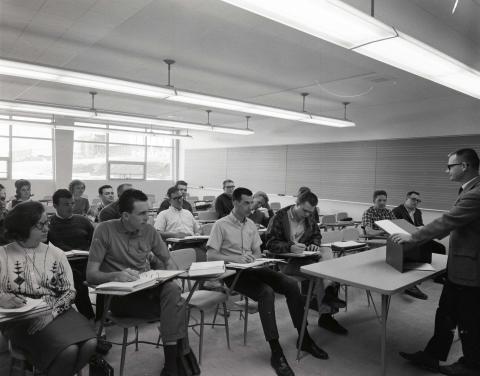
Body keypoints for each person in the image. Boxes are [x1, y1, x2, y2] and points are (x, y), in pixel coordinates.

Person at [207, 187, 327, 376]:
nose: (251, 206)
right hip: (233, 274)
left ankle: (303, 337)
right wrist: (236, 259)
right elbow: (210, 255)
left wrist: (254, 258)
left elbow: (257, 251)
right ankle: (275, 350)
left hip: (253, 268)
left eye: (251, 202)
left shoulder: (251, 225)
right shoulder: (220, 225)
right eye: (246, 203)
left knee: (290, 284)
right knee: (266, 293)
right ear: (235, 203)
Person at [393, 148, 480, 376]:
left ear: (464, 166)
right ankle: (432, 356)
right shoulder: (470, 189)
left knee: (468, 319)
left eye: (450, 166)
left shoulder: (475, 193)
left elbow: (448, 221)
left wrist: (412, 236)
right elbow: (456, 222)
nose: (446, 170)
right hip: (461, 265)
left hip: (469, 269)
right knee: (446, 312)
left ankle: (472, 365)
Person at [87, 189, 189, 376]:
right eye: (142, 214)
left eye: (149, 212)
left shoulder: (149, 231)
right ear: (125, 215)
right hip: (121, 298)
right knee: (177, 306)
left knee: (173, 291)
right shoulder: (104, 230)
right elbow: (91, 275)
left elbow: (167, 260)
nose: (148, 218)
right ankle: (178, 360)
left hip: (148, 289)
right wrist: (115, 275)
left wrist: (174, 277)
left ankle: (172, 367)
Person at [0, 201, 96, 375]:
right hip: (22, 316)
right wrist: (2, 298)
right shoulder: (3, 255)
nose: (47, 228)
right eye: (41, 225)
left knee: (91, 343)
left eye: (47, 222)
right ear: (23, 228)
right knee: (68, 351)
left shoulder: (55, 253)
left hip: (58, 310)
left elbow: (69, 291)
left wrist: (52, 313)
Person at [266, 190, 348, 335]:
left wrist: (315, 244)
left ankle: (328, 292)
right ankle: (326, 315)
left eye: (310, 212)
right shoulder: (279, 217)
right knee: (319, 271)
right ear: (296, 204)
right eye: (305, 211)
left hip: (306, 257)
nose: (308, 215)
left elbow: (316, 235)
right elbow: (270, 244)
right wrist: (290, 247)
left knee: (326, 251)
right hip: (288, 261)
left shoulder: (309, 217)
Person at [363, 190, 427, 300]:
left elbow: (396, 226)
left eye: (384, 200)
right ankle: (410, 286)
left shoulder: (388, 212)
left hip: (391, 239)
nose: (382, 203)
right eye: (379, 200)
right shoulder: (368, 212)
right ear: (374, 200)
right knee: (403, 252)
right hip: (376, 241)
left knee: (412, 247)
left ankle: (409, 283)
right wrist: (384, 230)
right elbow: (370, 232)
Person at [47, 189, 95, 320]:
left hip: (88, 260)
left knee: (104, 275)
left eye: (72, 203)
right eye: (66, 204)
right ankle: (90, 318)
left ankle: (101, 315)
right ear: (55, 205)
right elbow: (44, 249)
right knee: (76, 279)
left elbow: (96, 242)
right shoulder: (49, 225)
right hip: (65, 264)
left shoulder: (83, 221)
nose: (70, 207)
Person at [155, 186, 205, 261]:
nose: (179, 200)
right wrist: (175, 235)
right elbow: (157, 232)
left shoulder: (188, 213)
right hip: (177, 245)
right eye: (175, 198)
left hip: (194, 243)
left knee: (205, 250)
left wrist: (198, 233)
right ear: (169, 201)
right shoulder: (164, 214)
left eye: (180, 197)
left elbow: (198, 229)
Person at [392, 191, 446, 255]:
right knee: (427, 249)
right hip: (406, 239)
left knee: (441, 248)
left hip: (418, 237)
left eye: (418, 200)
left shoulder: (418, 212)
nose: (416, 202)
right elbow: (396, 228)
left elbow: (420, 225)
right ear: (407, 199)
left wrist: (422, 227)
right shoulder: (397, 211)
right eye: (413, 199)